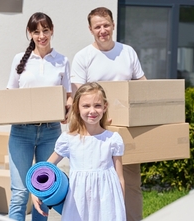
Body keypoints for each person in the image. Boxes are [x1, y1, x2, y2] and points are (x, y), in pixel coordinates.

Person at [70, 7, 146, 221]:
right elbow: (78, 98)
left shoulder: (127, 52)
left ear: (113, 25)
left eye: (106, 25)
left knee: (130, 183)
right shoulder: (83, 57)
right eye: (97, 27)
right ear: (90, 29)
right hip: (95, 132)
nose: (102, 30)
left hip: (126, 129)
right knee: (95, 185)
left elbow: (142, 85)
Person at [2, 12, 72, 221]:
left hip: (50, 132)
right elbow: (10, 94)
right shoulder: (19, 59)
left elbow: (68, 95)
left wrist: (67, 107)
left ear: (52, 31)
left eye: (46, 30)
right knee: (21, 192)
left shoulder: (62, 60)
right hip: (21, 132)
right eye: (36, 31)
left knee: (43, 191)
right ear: (30, 33)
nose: (42, 35)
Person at [34, 82, 126, 221]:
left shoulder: (112, 139)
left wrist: (120, 207)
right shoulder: (69, 140)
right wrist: (35, 193)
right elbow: (45, 169)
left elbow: (120, 178)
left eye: (97, 105)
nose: (92, 111)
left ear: (105, 107)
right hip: (78, 204)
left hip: (107, 204)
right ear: (77, 107)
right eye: (86, 106)